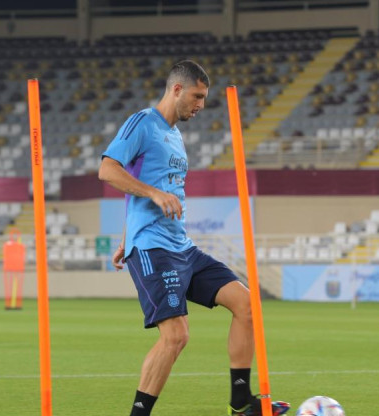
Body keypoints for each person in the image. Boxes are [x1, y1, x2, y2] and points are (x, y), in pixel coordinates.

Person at [98, 60, 290, 416]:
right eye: (197, 96)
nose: (201, 105)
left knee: (248, 305)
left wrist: (126, 234)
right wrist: (152, 198)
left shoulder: (175, 135)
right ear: (176, 89)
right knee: (176, 336)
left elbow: (138, 187)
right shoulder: (142, 123)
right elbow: (108, 169)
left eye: (204, 97)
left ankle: (240, 403)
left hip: (181, 247)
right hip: (154, 249)